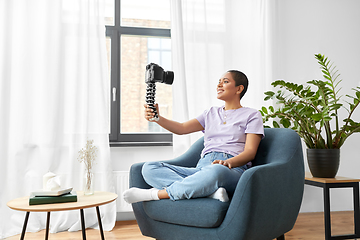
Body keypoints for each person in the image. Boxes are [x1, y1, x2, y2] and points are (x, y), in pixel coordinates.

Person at [123, 70, 264, 204]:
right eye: (219, 81)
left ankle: (154, 195)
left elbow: (250, 152)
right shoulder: (210, 113)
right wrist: (158, 118)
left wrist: (229, 163)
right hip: (201, 168)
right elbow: (182, 128)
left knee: (215, 171)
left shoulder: (252, 115)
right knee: (149, 168)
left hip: (231, 169)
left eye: (225, 82)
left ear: (239, 89)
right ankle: (207, 191)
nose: (219, 85)